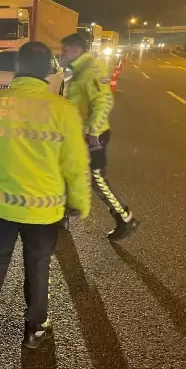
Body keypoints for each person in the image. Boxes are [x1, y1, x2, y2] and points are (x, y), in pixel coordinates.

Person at [0, 42, 91, 350]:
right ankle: (34, 328)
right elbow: (75, 163)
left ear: (18, 67)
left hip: (1, 207)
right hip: (44, 211)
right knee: (38, 264)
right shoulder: (63, 111)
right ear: (48, 69)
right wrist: (80, 201)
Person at [60, 33, 140, 240]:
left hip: (93, 137)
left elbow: (104, 101)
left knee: (97, 180)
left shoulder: (91, 69)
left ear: (76, 50)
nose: (62, 54)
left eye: (65, 50)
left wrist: (93, 132)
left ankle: (126, 218)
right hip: (78, 136)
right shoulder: (75, 70)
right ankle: (67, 211)